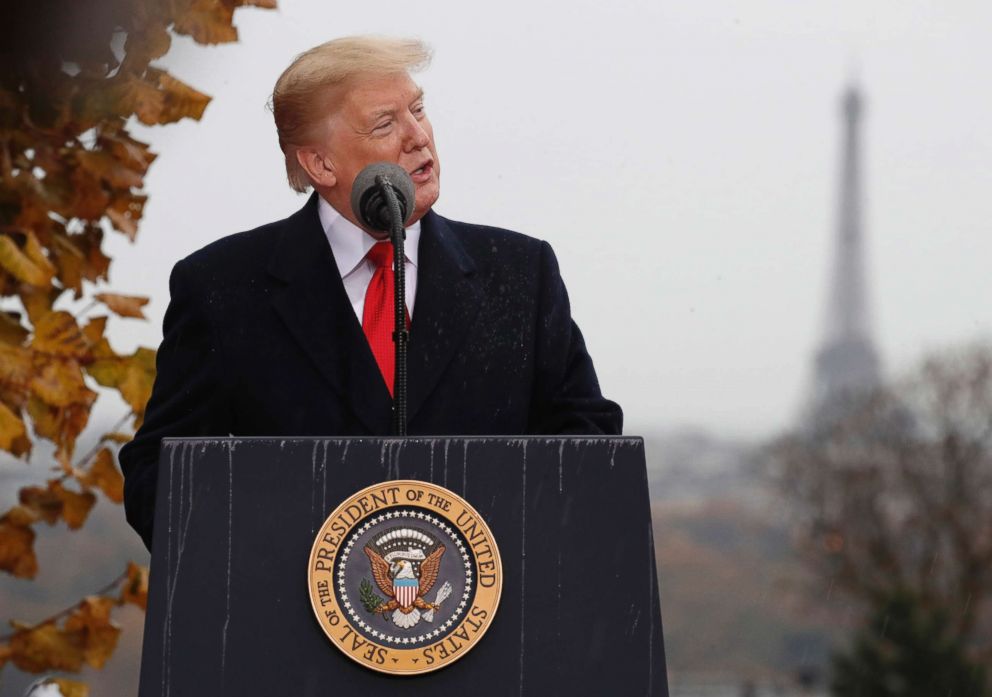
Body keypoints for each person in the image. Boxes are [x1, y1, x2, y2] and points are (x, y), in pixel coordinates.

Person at [119, 36, 622, 550]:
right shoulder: (222, 287)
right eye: (385, 124)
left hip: (491, 609)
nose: (418, 137)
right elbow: (160, 473)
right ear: (320, 164)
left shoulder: (520, 272)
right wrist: (256, 562)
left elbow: (587, 444)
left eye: (419, 110)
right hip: (292, 619)